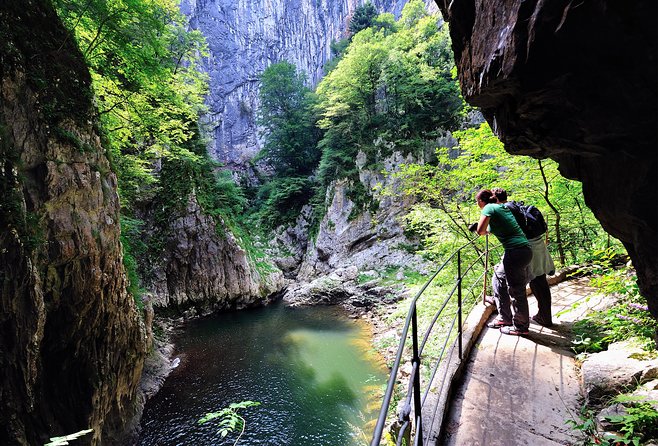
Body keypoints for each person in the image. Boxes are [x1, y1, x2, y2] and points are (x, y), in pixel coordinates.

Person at [492, 188, 555, 327]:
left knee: (499, 279)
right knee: (539, 280)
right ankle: (545, 317)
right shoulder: (515, 206)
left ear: (495, 199)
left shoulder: (504, 210)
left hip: (525, 248)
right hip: (538, 244)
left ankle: (505, 317)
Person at [473, 189, 533, 335]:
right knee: (498, 278)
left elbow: (481, 231)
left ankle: (521, 327)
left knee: (516, 290)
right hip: (522, 250)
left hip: (515, 252)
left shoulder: (488, 208)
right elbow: (493, 229)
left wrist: (477, 229)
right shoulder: (501, 207)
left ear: (481, 201)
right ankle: (504, 317)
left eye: (477, 202)